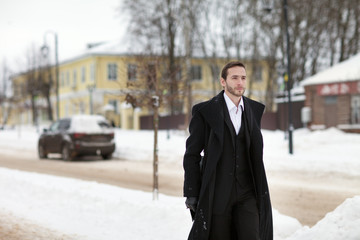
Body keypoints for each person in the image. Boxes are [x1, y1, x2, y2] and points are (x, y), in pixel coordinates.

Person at [183, 61, 273, 240]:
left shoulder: (253, 111)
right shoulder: (205, 112)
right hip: (218, 194)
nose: (240, 82)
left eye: (243, 78)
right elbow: (191, 155)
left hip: (248, 192)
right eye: (234, 78)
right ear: (223, 81)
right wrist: (191, 191)